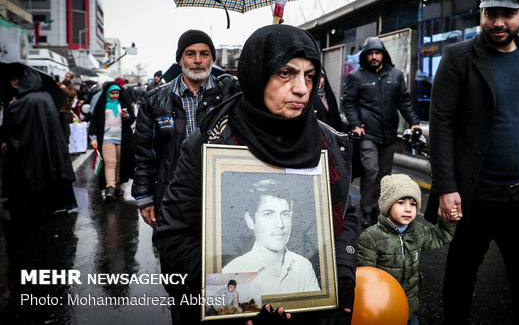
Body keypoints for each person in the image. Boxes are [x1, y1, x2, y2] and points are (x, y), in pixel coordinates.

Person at [154, 24, 358, 325]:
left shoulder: (328, 143)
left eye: (309, 75)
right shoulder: (211, 144)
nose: (302, 88)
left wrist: (341, 273)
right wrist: (236, 302)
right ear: (257, 74)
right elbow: (175, 237)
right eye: (285, 73)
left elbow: (345, 219)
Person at [426, 0, 519, 324]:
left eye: (508, 14)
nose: (499, 22)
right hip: (474, 195)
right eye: (491, 13)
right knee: (461, 279)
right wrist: (447, 187)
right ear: (480, 13)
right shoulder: (458, 57)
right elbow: (441, 124)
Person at [132, 29, 240, 227]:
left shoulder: (230, 95)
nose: (197, 60)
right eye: (190, 54)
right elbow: (144, 153)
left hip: (222, 191)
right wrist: (144, 196)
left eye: (204, 54)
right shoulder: (155, 99)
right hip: (172, 193)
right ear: (180, 60)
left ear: (212, 60)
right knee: (174, 251)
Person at [341, 36, 421, 228]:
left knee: (384, 176)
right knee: (371, 170)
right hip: (368, 133)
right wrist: (355, 124)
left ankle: (379, 208)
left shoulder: (396, 75)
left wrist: (415, 123)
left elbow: (404, 102)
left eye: (377, 53)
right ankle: (367, 210)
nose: (374, 57)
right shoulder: (356, 77)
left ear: (383, 54)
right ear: (365, 57)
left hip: (389, 133)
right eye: (370, 54)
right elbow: (348, 103)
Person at [357, 174, 458, 325]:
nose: (408, 209)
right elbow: (365, 279)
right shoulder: (371, 237)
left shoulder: (417, 231)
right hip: (383, 307)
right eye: (401, 202)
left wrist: (448, 220)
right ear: (387, 205)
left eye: (413, 204)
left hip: (409, 306)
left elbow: (440, 236)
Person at [1, 67, 77, 216]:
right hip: (48, 143)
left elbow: (14, 119)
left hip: (32, 145)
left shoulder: (27, 100)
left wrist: (12, 106)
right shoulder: (45, 96)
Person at [222, 179, 320, 294]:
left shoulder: (303, 267)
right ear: (250, 220)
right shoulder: (232, 273)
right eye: (268, 214)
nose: (280, 224)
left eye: (285, 214)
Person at [88, 82, 136, 201]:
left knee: (120, 162)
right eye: (112, 93)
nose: (115, 95)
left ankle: (118, 185)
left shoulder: (123, 103)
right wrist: (94, 138)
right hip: (106, 139)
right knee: (110, 162)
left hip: (122, 139)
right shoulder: (101, 105)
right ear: (107, 93)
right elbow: (94, 122)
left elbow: (131, 120)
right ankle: (110, 187)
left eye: (117, 93)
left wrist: (126, 116)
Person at [312, 67, 345, 132]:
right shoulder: (306, 96)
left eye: (321, 76)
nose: (318, 80)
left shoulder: (329, 95)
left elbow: (336, 119)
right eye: (315, 76)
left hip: (331, 136)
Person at [58, 72, 77, 143]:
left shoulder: (71, 86)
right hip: (59, 108)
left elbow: (72, 94)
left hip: (66, 110)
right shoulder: (61, 84)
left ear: (71, 78)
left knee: (66, 127)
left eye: (68, 77)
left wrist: (64, 88)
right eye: (66, 76)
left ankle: (66, 142)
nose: (66, 78)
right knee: (59, 126)